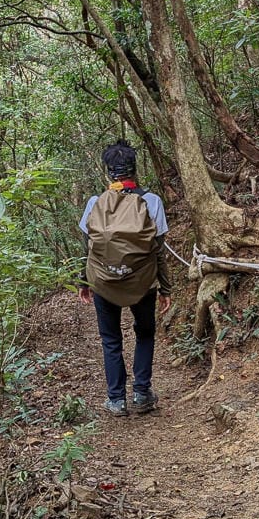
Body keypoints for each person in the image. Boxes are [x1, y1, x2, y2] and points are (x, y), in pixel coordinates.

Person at [77, 139, 171, 416]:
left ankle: (116, 399)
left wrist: (84, 281)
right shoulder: (151, 201)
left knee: (110, 339)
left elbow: (87, 249)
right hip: (142, 282)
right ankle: (142, 394)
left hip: (103, 282)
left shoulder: (94, 203)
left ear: (108, 172)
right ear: (134, 170)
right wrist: (165, 288)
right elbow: (159, 251)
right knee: (144, 334)